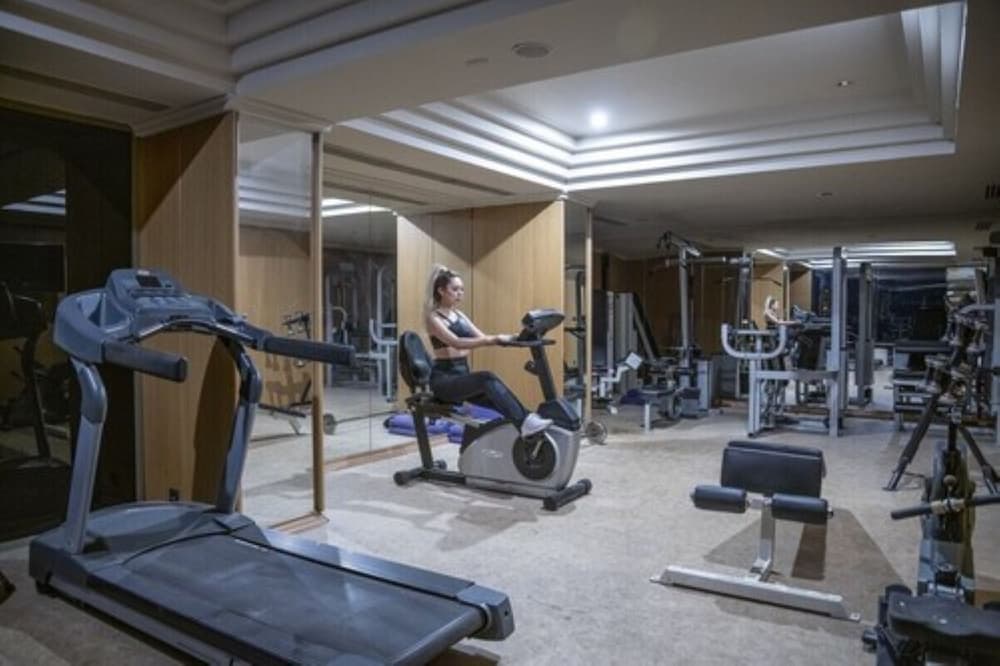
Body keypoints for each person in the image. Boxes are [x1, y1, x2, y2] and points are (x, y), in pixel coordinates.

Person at [424, 265, 552, 437]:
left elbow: (483, 337)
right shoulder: (433, 318)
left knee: (500, 400)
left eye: (462, 289)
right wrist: (494, 339)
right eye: (455, 289)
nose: (460, 293)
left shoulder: (460, 315)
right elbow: (457, 343)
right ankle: (527, 423)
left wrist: (516, 337)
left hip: (461, 375)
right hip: (444, 380)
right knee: (487, 378)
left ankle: (529, 424)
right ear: (441, 290)